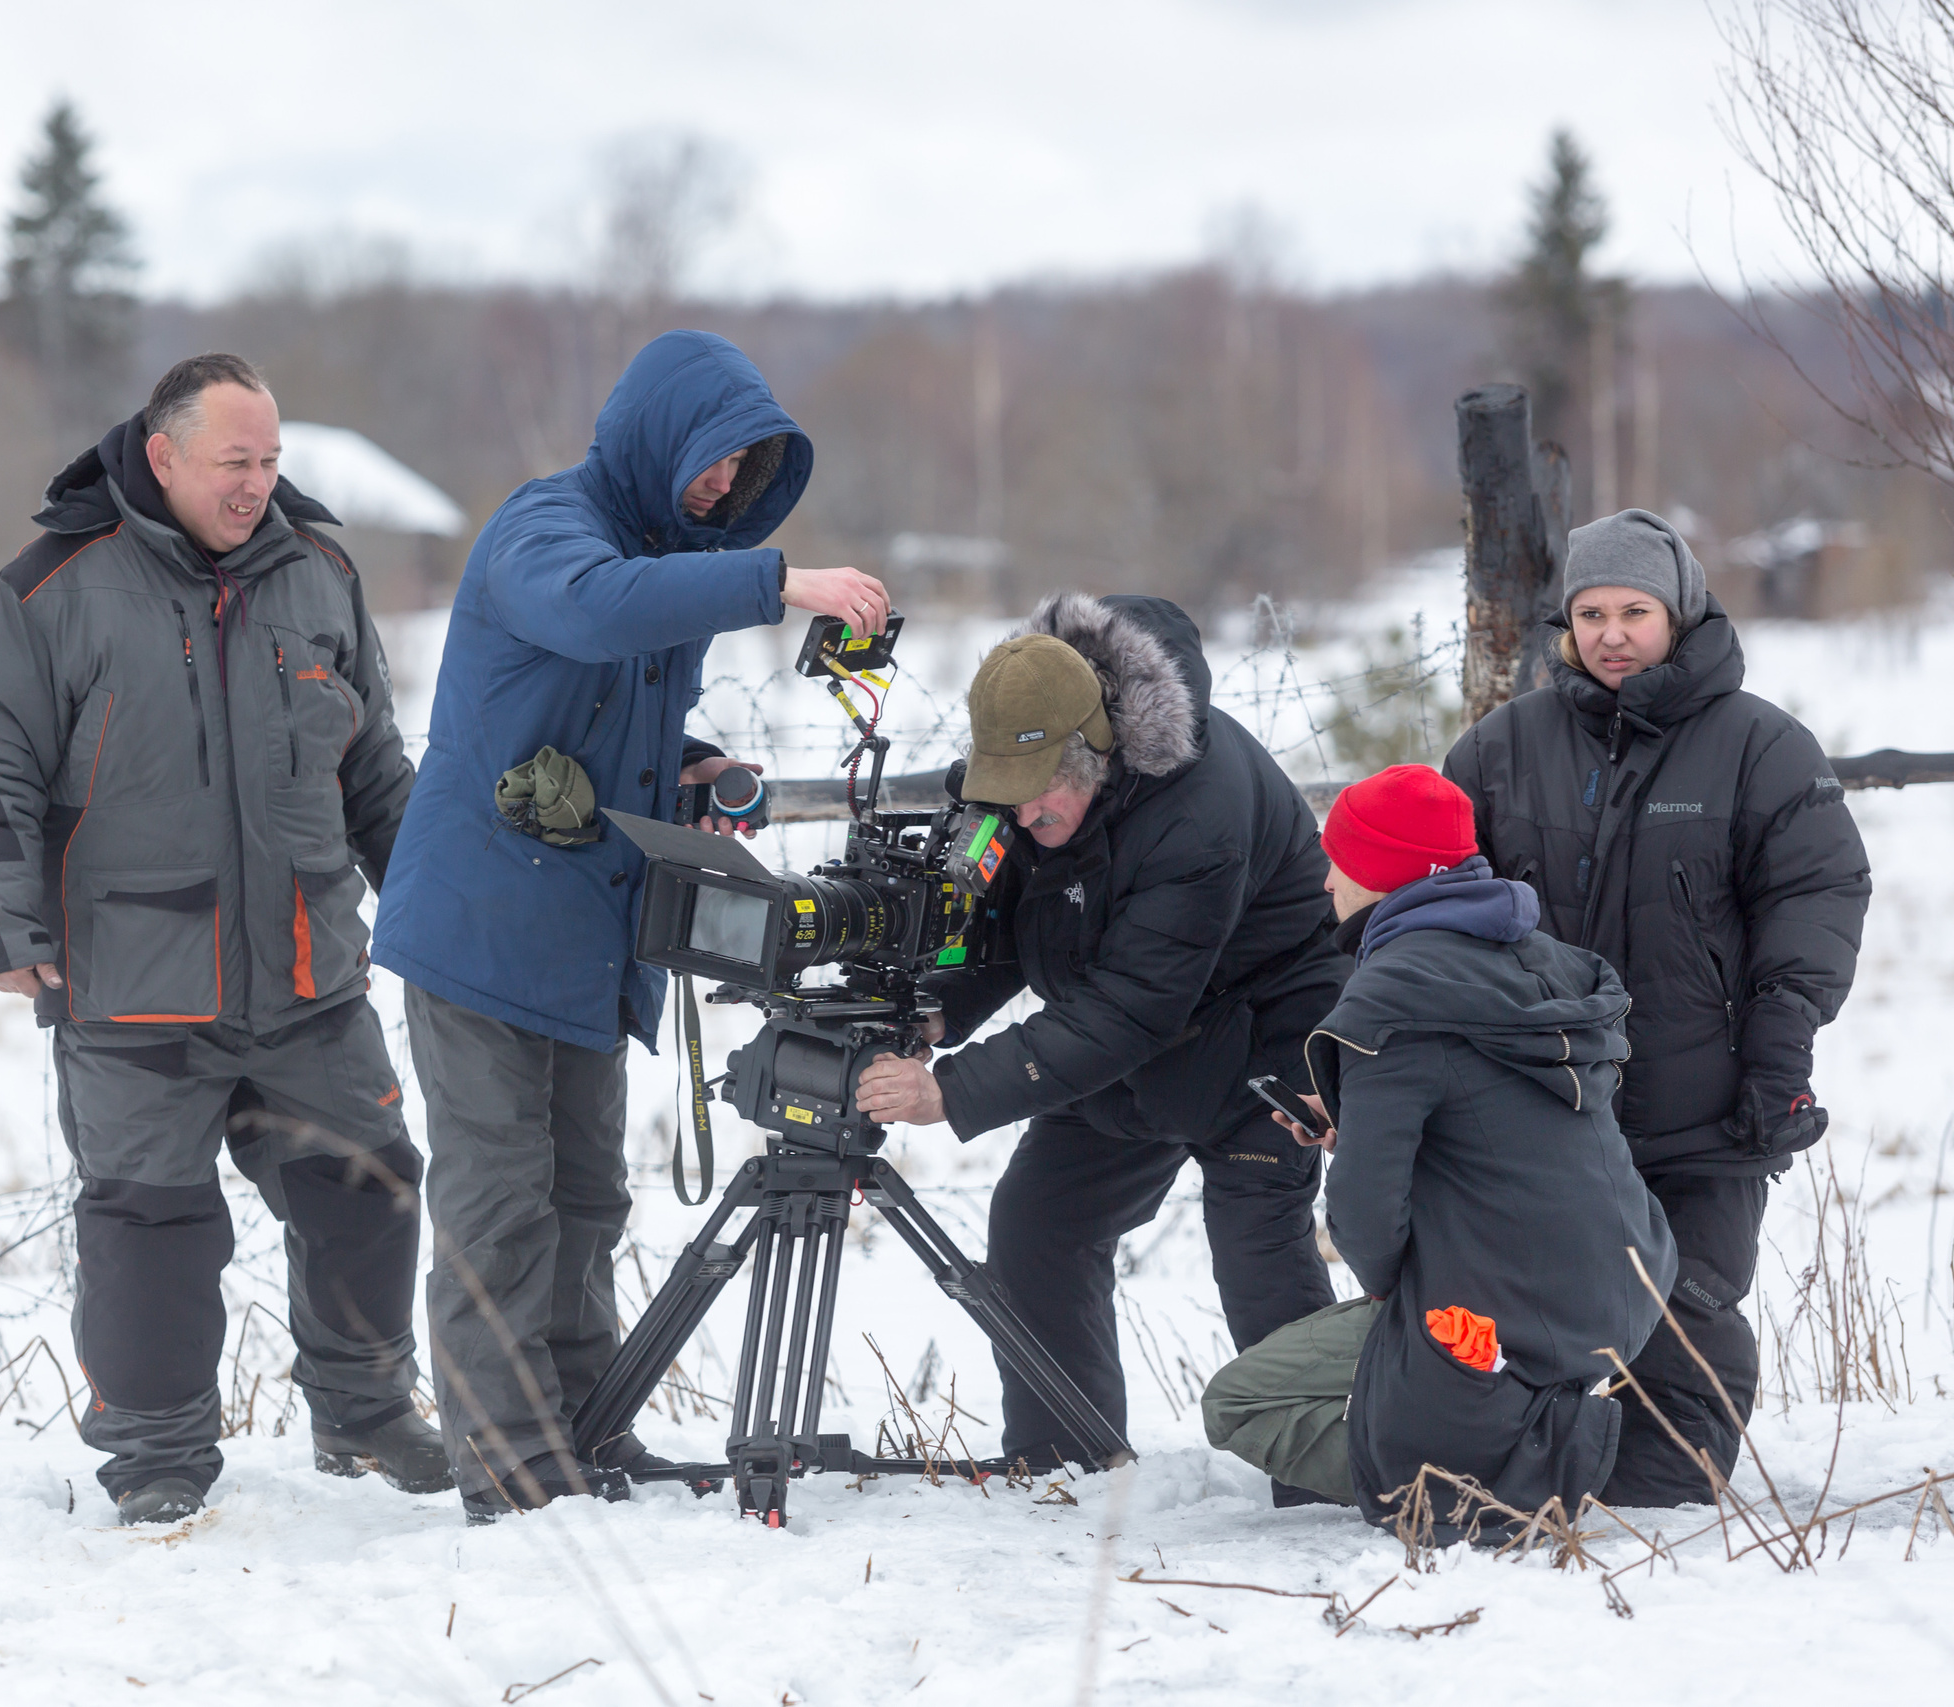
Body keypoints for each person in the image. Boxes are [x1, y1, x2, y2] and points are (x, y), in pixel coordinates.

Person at [371, 329, 890, 1523]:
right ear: (658, 439)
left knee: (588, 1197)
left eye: (746, 475)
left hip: (585, 937)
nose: (725, 490)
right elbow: (592, 613)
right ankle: (504, 1460)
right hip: (481, 929)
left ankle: (585, 1426)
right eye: (714, 465)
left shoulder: (666, 563)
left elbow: (608, 712)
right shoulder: (544, 530)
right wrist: (779, 583)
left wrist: (695, 769)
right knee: (498, 1201)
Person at [0, 353, 448, 1526]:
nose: (257, 486)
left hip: (311, 968)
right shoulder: (52, 586)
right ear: (163, 456)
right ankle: (161, 1454)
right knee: (150, 1231)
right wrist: (5, 925)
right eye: (236, 463)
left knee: (369, 1192)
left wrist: (427, 904)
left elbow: (370, 760)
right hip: (132, 979)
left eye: (272, 462)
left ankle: (367, 1416)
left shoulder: (318, 568)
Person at [854, 593, 1343, 1493]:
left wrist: (951, 1091)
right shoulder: (1022, 781)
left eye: (1042, 813)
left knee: (1258, 1257)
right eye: (1014, 811)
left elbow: (1134, 1005)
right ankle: (1065, 1458)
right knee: (1041, 1220)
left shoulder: (1201, 808)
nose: (1026, 825)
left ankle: (1319, 1480)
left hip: (1259, 1040)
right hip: (1118, 1033)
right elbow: (1008, 928)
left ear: (1099, 758)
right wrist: (936, 1014)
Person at [1441, 508, 1870, 1507]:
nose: (1610, 633)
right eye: (1589, 612)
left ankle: (1661, 1482)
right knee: (1533, 1289)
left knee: (1687, 1296)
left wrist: (1779, 1044)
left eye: (1633, 610)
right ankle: (1533, 1459)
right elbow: (1439, 896)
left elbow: (1815, 896)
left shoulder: (1758, 745)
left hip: (1703, 1090)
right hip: (1545, 1093)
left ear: (1677, 613)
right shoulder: (1503, 747)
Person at [1197, 764, 1678, 1528]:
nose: (1327, 882)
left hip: (1496, 1312)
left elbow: (1360, 1216)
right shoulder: (1545, 959)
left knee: (1237, 1402)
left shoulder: (1393, 991)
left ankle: (1490, 1468)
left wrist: (1397, 1294)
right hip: (1631, 1286)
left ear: (1386, 873)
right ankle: (1512, 1418)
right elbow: (1499, 1130)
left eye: (1343, 861)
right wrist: (1352, 1115)